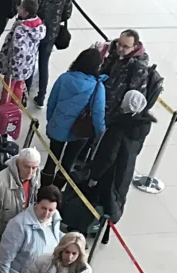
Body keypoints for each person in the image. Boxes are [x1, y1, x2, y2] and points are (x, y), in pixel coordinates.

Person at [0, 185, 63, 273]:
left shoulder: (54, 220)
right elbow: (5, 254)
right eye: (44, 208)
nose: (47, 213)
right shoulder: (19, 225)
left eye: (51, 210)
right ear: (36, 203)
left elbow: (56, 236)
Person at [42, 49, 107, 187]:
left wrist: (51, 121)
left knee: (51, 160)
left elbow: (52, 102)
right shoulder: (97, 86)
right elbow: (98, 113)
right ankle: (56, 193)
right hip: (79, 132)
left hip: (58, 125)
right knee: (68, 163)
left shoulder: (64, 78)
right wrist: (100, 132)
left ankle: (44, 189)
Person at [90, 90, 154, 224]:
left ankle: (94, 227)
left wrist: (95, 176)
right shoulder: (142, 126)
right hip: (126, 170)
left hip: (110, 174)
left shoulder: (118, 129)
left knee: (101, 200)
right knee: (115, 200)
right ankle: (106, 230)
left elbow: (108, 156)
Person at [0, 149, 41, 267]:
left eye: (34, 168)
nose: (31, 172)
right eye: (27, 167)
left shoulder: (35, 176)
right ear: (18, 163)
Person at [27, 0, 73, 107]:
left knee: (30, 61)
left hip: (35, 33)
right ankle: (41, 96)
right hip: (51, 34)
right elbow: (67, 13)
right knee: (43, 63)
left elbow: (29, 12)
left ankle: (25, 91)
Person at [0, 0, 45, 108]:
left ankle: (3, 111)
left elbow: (17, 49)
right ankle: (15, 108)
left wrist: (11, 67)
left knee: (7, 90)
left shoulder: (21, 29)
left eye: (21, 7)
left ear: (26, 12)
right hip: (26, 65)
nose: (18, 8)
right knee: (19, 87)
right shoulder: (38, 27)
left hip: (15, 66)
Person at [98, 30, 150, 118]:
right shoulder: (113, 52)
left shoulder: (138, 68)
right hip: (101, 101)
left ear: (134, 47)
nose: (120, 48)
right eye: (120, 44)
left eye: (126, 46)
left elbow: (133, 98)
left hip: (114, 112)